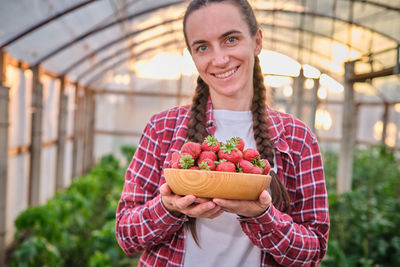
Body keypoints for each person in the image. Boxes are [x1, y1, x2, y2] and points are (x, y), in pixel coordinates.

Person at [115, 0, 330, 266]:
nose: (219, 59)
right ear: (193, 57)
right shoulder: (162, 128)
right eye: (202, 47)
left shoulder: (298, 138)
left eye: (230, 39)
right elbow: (126, 235)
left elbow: (314, 250)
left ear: (257, 41)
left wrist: (263, 216)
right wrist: (168, 207)